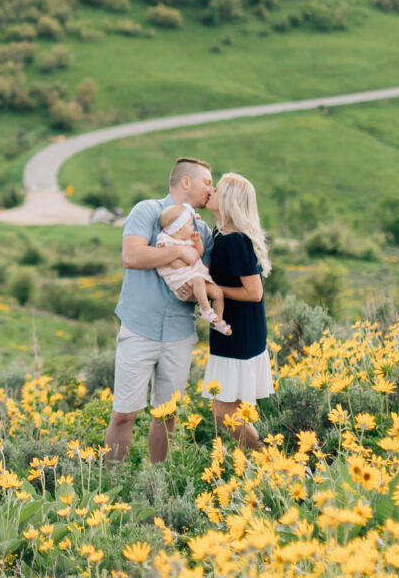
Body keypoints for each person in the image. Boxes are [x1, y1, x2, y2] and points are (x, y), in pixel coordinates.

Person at [105, 158, 214, 464]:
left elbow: (206, 277)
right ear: (186, 182)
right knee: (124, 414)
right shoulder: (147, 211)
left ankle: (157, 483)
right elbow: (132, 255)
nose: (212, 188)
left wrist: (195, 291)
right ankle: (111, 484)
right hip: (140, 328)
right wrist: (179, 251)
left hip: (180, 332)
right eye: (207, 182)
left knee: (166, 416)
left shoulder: (203, 232)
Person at [201, 172, 275, 451]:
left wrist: (215, 291)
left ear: (228, 199)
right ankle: (257, 468)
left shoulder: (235, 240)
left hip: (239, 332)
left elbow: (254, 293)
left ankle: (274, 459)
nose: (211, 191)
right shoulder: (220, 234)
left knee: (223, 412)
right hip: (231, 329)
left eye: (217, 189)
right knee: (235, 410)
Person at [155, 203, 229, 334]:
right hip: (181, 281)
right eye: (190, 224)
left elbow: (199, 253)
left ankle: (218, 321)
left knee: (218, 292)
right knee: (198, 281)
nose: (193, 227)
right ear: (179, 229)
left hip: (195, 277)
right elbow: (174, 264)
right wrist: (188, 259)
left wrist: (197, 242)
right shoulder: (166, 242)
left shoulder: (187, 239)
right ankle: (206, 311)